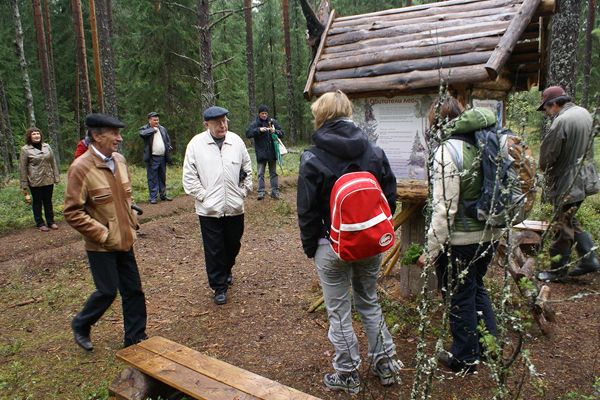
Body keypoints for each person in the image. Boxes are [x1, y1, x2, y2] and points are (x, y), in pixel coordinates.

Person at [297, 91, 401, 395]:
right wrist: (370, 229)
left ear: (322, 115)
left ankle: (346, 373)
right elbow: (389, 198)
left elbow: (307, 209)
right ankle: (385, 363)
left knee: (339, 310)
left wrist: (311, 246)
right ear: (348, 112)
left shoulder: (312, 157)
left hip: (330, 245)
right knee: (368, 300)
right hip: (370, 242)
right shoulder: (373, 151)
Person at [417, 96, 501, 374]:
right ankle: (489, 347)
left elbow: (444, 210)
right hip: (490, 234)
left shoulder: (447, 152)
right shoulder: (484, 142)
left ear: (438, 122)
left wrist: (429, 251)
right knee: (477, 288)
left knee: (458, 296)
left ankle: (465, 358)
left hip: (461, 241)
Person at [64, 113, 147, 351]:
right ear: (97, 136)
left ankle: (135, 338)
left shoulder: (119, 161)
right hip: (100, 244)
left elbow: (124, 199)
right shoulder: (80, 168)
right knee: (107, 291)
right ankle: (81, 323)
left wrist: (131, 221)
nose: (119, 138)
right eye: (114, 134)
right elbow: (72, 212)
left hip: (125, 238)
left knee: (134, 290)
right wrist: (102, 233)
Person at [183, 106, 252, 305]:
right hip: (209, 210)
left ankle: (226, 269)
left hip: (234, 206)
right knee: (214, 249)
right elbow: (189, 177)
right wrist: (204, 196)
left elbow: (247, 168)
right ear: (207, 125)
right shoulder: (196, 144)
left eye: (225, 121)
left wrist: (243, 191)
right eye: (217, 122)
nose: (223, 125)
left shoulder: (236, 141)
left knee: (233, 244)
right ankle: (219, 286)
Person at [536, 86, 600, 281]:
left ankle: (557, 271)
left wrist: (543, 170)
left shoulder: (562, 121)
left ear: (554, 104)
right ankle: (589, 259)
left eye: (546, 109)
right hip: (585, 175)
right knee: (569, 219)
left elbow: (547, 157)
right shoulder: (584, 113)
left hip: (568, 181)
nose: (547, 113)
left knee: (562, 225)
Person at [19, 127, 60, 232]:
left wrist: (56, 176)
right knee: (37, 202)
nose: (36, 135)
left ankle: (51, 221)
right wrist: (24, 184)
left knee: (48, 201)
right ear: (29, 136)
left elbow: (53, 162)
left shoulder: (47, 146)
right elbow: (22, 167)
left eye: (38, 133)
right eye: (34, 134)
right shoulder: (25, 149)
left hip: (48, 178)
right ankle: (40, 223)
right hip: (35, 180)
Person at [245, 105, 284, 200]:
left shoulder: (272, 122)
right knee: (260, 173)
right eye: (262, 113)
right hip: (261, 153)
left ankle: (275, 192)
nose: (264, 115)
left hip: (272, 152)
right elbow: (248, 134)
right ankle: (261, 192)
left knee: (273, 173)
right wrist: (259, 130)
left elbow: (282, 133)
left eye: (266, 113)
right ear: (259, 114)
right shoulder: (255, 123)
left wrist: (275, 131)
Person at [139, 111, 173, 204]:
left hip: (162, 157)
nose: (157, 122)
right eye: (155, 120)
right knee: (152, 177)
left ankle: (163, 195)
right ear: (149, 120)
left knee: (162, 177)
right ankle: (153, 197)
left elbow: (167, 139)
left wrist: (169, 146)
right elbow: (142, 134)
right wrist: (153, 130)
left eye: (158, 120)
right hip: (152, 158)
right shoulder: (145, 128)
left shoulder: (162, 129)